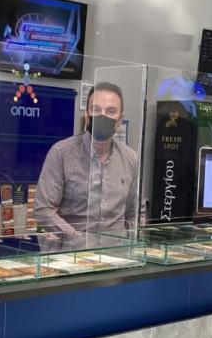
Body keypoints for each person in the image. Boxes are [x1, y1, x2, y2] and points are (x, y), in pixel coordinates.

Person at [35, 82, 139, 235]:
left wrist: (132, 241)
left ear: (120, 119)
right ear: (87, 114)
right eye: (96, 109)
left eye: (110, 111)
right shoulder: (61, 153)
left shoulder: (130, 158)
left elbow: (134, 213)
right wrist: (75, 237)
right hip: (73, 248)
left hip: (117, 248)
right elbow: (43, 210)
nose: (102, 116)